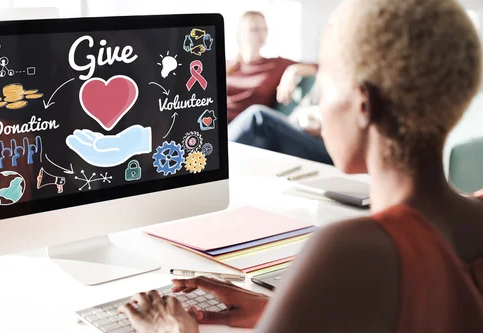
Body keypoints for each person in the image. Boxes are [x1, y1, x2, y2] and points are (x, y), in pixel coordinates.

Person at [118, 0, 483, 332]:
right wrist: (282, 309)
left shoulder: (350, 249)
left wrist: (172, 328)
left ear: (363, 104)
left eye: (322, 89)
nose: (320, 109)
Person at [226, 11, 318, 123]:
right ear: (239, 35)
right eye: (255, 29)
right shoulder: (226, 65)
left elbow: (319, 67)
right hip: (215, 124)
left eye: (264, 29)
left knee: (256, 114)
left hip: (249, 125)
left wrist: (292, 71)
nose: (261, 34)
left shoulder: (276, 65)